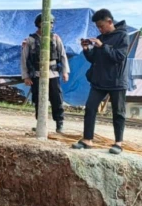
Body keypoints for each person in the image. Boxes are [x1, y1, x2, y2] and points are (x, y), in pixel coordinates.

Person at [72, 9, 130, 154]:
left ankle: (118, 143)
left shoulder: (123, 36)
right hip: (99, 81)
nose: (100, 29)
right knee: (90, 108)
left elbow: (119, 57)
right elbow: (94, 59)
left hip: (117, 81)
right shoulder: (100, 38)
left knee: (118, 112)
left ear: (109, 22)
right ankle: (87, 139)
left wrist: (103, 46)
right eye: (98, 27)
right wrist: (87, 49)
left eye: (101, 26)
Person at [21, 13, 70, 133]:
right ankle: (40, 123)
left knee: (57, 98)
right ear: (39, 24)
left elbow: (63, 55)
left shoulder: (55, 38)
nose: (50, 25)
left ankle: (59, 123)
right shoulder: (30, 40)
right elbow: (24, 59)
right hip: (37, 74)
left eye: (52, 23)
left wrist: (65, 71)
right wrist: (26, 76)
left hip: (52, 73)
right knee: (38, 99)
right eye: (48, 23)